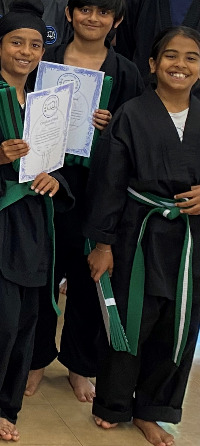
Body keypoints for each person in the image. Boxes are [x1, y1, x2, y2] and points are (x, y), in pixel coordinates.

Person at [0, 0, 72, 441]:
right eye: (17, 43)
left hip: (36, 225)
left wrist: (56, 184)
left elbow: (56, 163)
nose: (26, 52)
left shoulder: (47, 103)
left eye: (36, 46)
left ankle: (9, 404)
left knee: (26, 320)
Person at [24, 0, 144, 402]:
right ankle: (35, 359)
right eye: (85, 10)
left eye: (103, 13)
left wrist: (112, 129)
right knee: (40, 278)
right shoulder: (45, 61)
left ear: (117, 21)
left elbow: (136, 135)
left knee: (87, 279)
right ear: (70, 13)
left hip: (97, 192)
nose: (93, 19)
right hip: (46, 184)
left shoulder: (125, 71)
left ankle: (79, 365)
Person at [85, 26, 200, 446]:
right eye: (171, 55)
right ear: (152, 64)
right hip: (137, 232)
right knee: (133, 319)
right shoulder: (132, 114)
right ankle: (114, 403)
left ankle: (154, 409)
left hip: (189, 241)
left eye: (191, 57)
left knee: (178, 324)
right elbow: (108, 184)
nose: (180, 65)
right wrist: (102, 244)